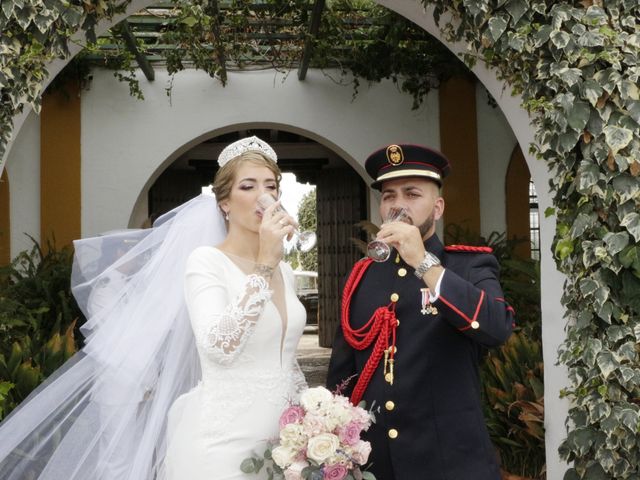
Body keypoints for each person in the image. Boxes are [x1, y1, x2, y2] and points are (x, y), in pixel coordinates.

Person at [0, 136, 307, 480]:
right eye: (248, 186)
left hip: (287, 444)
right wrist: (263, 265)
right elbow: (220, 347)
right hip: (226, 444)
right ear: (223, 202)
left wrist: (314, 418)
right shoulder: (206, 262)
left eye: (271, 186)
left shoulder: (284, 269)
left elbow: (287, 359)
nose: (263, 197)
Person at [327, 143, 515, 480]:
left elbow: (496, 328)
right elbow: (341, 380)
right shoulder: (361, 277)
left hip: (450, 463)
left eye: (412, 194)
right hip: (377, 465)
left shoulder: (469, 265)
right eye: (389, 196)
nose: (398, 205)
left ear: (438, 207)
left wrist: (423, 262)